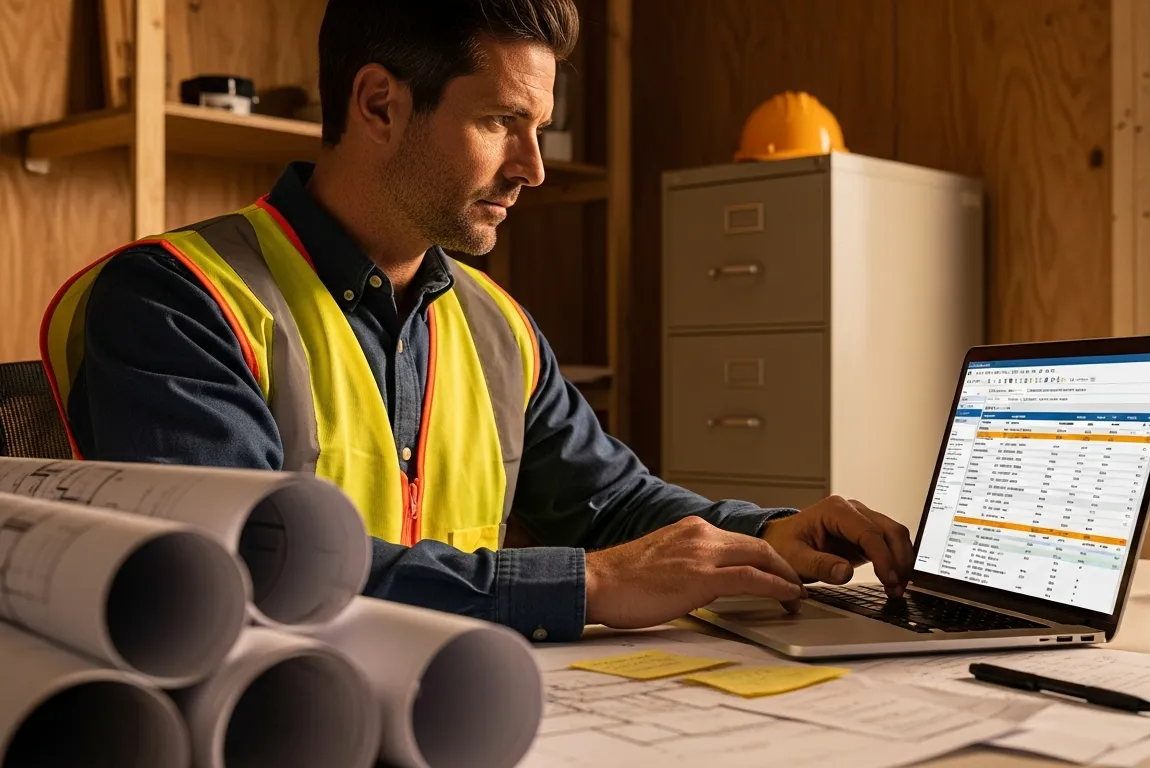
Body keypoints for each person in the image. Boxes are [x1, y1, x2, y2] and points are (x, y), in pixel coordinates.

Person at [39, 0, 913, 642]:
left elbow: (611, 502)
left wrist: (766, 534)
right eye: (502, 121)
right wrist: (585, 585)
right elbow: (248, 570)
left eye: (539, 129)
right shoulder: (178, 299)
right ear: (378, 104)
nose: (532, 167)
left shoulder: (497, 325)